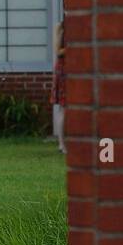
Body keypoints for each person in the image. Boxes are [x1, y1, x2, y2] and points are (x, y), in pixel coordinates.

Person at [51, 20, 66, 155]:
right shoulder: (60, 27)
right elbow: (58, 51)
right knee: (63, 107)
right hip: (64, 70)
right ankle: (62, 144)